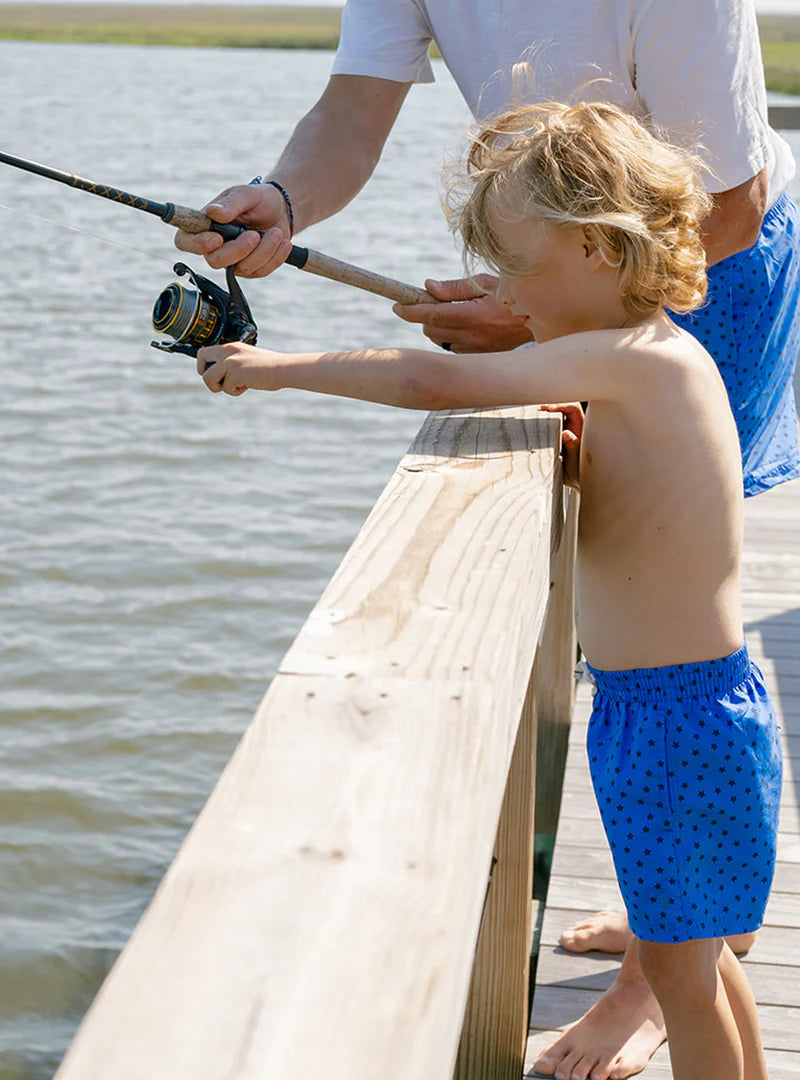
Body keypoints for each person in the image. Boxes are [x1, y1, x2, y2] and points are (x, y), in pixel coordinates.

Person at [176, 3, 800, 1074]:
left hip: (666, 724)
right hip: (709, 708)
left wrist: (283, 368)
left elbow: (436, 377)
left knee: (689, 985)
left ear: (599, 251)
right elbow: (357, 112)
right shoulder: (648, 353)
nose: (501, 292)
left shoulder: (622, 366)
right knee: (703, 961)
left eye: (516, 268)